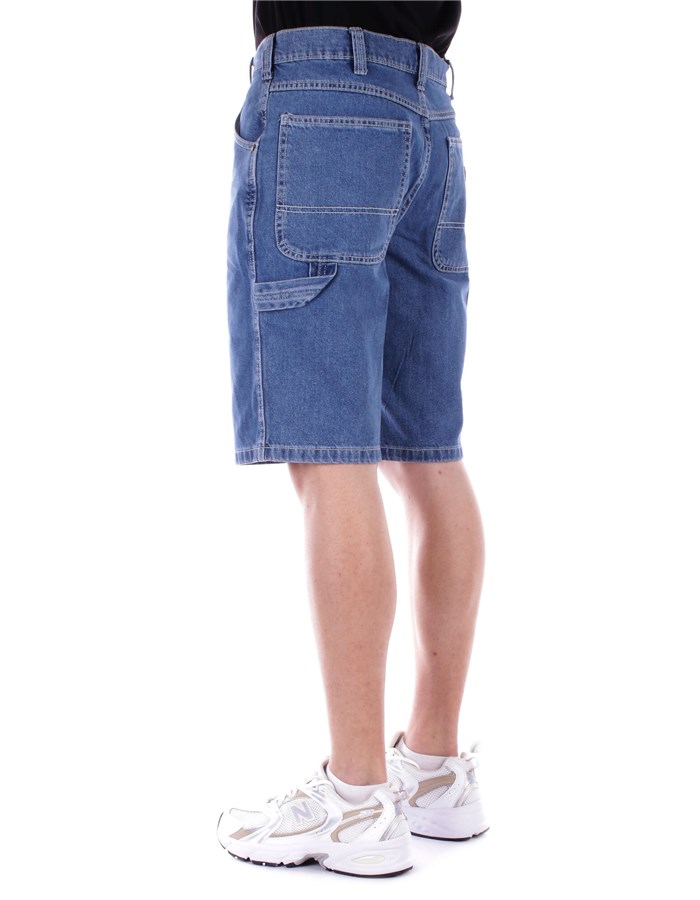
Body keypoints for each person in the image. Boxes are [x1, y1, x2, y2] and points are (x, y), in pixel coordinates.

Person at [218, 1, 487, 877]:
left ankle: (357, 798)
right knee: (427, 454)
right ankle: (435, 769)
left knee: (332, 455)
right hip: (427, 107)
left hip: (318, 95)